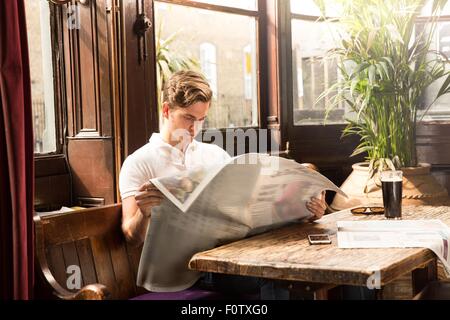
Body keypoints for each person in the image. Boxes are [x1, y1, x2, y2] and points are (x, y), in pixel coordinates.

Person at [119, 70, 327, 298]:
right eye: (188, 118)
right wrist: (144, 213)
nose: (194, 129)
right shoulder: (139, 162)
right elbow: (131, 236)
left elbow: (247, 206)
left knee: (282, 262)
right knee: (259, 276)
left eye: (201, 120)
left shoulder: (214, 155)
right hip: (186, 269)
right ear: (167, 110)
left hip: (227, 256)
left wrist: (303, 211)